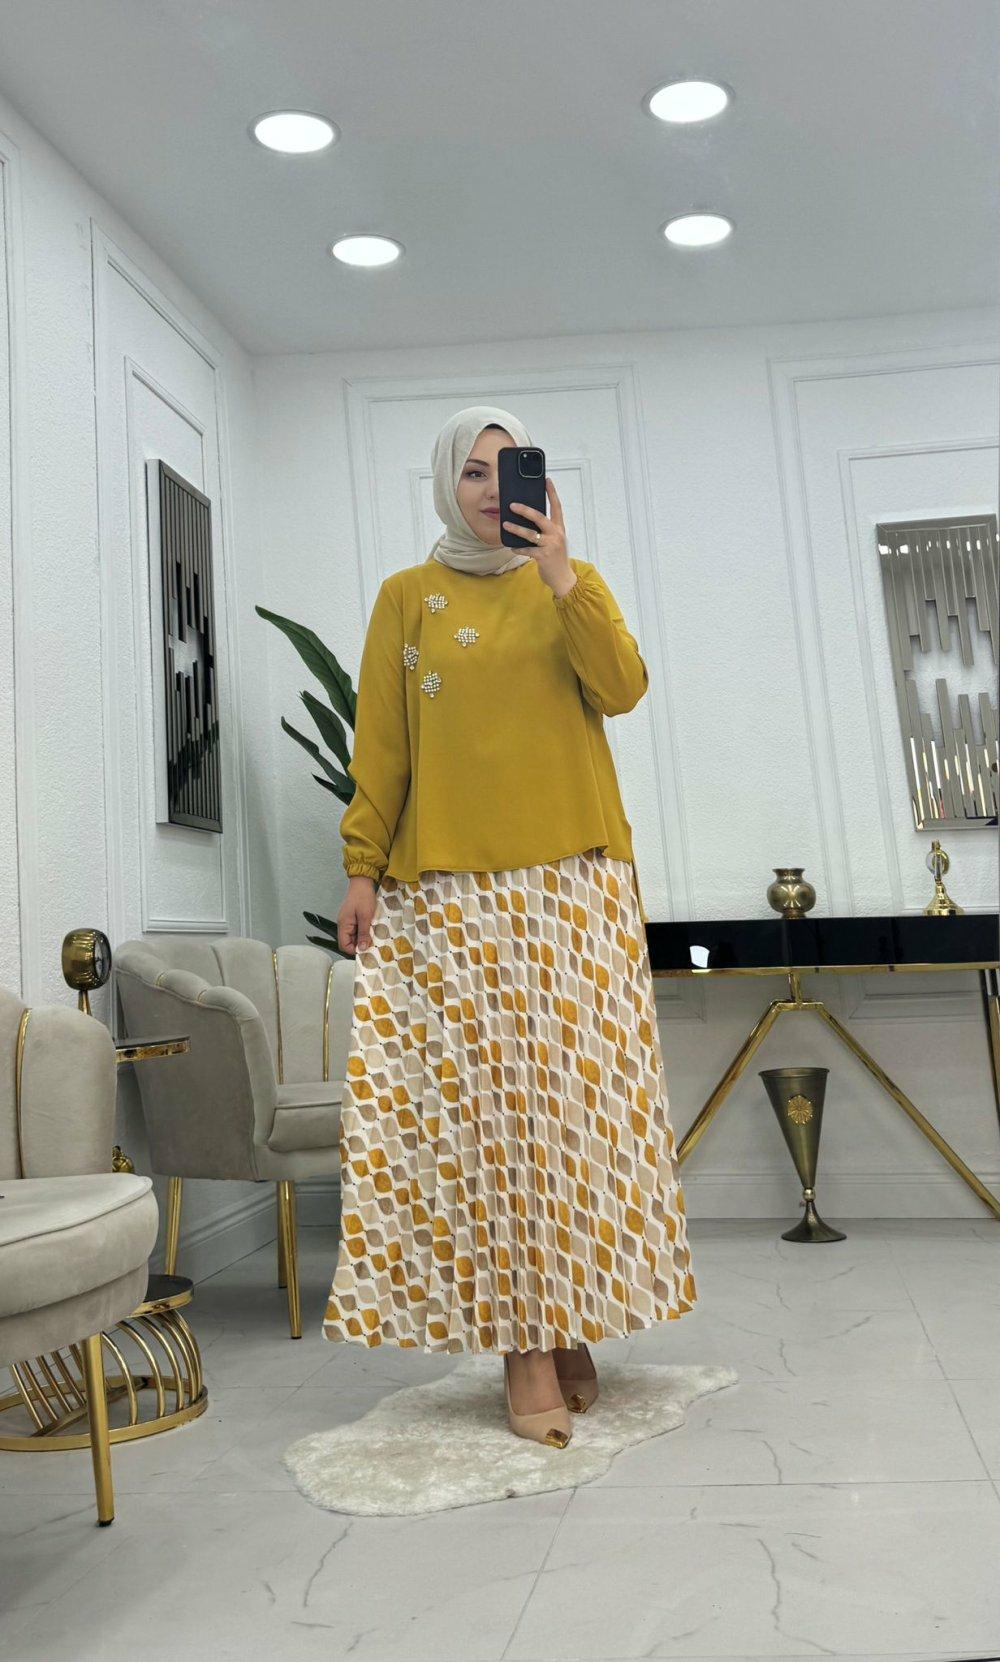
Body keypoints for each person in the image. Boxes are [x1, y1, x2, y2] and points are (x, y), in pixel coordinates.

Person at [324, 404, 697, 1448]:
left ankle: (566, 1321)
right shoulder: (407, 599)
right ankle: (524, 1349)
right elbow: (382, 746)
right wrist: (361, 869)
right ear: (448, 485)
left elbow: (622, 687)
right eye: (474, 472)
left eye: (509, 468)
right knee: (490, 1125)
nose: (493, 490)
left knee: (569, 1118)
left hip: (575, 888)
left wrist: (563, 573)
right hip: (453, 895)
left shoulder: (569, 586)